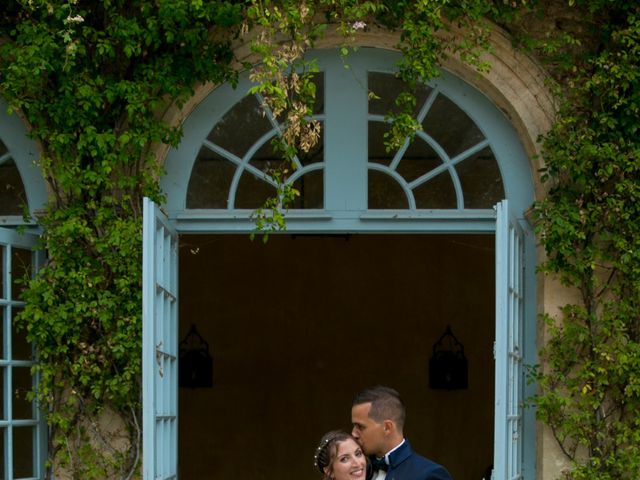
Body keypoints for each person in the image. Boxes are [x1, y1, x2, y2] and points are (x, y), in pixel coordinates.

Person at [351, 386, 452, 480]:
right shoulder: (355, 470)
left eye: (360, 427)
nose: (353, 434)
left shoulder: (429, 474)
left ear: (387, 427)